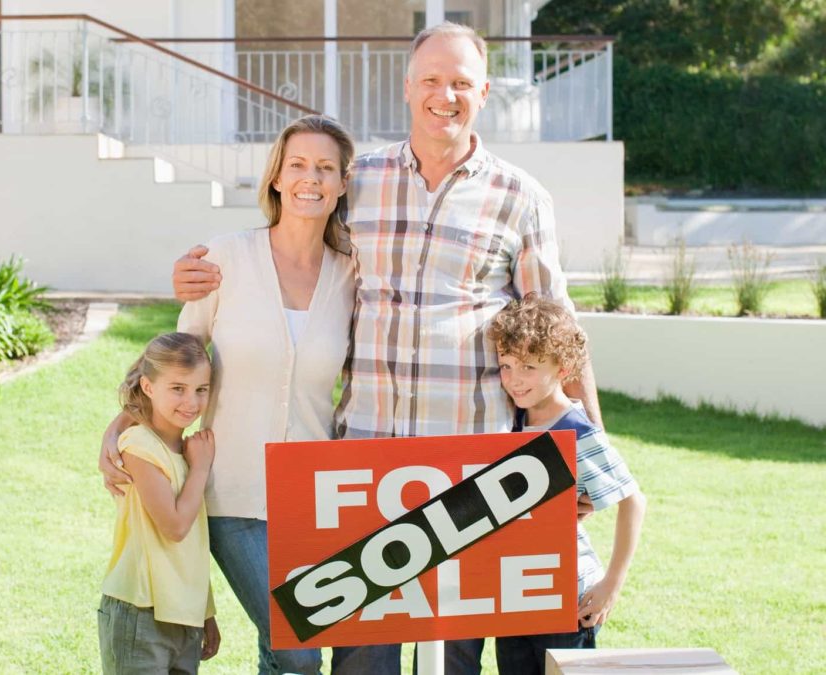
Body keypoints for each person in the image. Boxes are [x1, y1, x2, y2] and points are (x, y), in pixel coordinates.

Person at [167, 22, 602, 674]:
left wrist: (590, 452)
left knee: (451, 658)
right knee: (361, 660)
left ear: (484, 92)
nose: (444, 96)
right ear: (407, 86)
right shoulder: (360, 181)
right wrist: (201, 273)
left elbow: (560, 334)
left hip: (470, 472)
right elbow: (291, 244)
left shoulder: (520, 198)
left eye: (461, 83)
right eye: (431, 80)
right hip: (363, 473)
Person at [101, 115, 357, 674]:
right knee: (299, 647)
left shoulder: (353, 276)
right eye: (297, 164)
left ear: (342, 183)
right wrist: (121, 425)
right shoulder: (224, 259)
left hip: (314, 498)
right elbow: (175, 362)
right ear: (276, 178)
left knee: (282, 649)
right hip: (230, 493)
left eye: (325, 167)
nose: (310, 178)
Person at [489, 295, 646, 675]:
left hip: (567, 598)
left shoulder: (575, 430)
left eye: (528, 366)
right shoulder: (510, 423)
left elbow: (633, 501)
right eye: (506, 365)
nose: (514, 379)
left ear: (562, 368)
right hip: (516, 596)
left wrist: (611, 584)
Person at [99, 332, 221, 674]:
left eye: (201, 389)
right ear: (148, 387)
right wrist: (201, 468)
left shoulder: (187, 453)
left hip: (183, 614)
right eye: (177, 388)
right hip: (140, 612)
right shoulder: (138, 446)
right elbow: (175, 527)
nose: (191, 402)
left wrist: (205, 612)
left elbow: (191, 546)